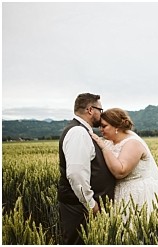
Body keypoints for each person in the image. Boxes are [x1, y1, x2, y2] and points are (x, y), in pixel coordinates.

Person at [57, 93, 117, 244]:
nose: (101, 114)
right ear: (90, 110)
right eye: (100, 110)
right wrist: (91, 204)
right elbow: (76, 174)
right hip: (79, 208)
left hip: (81, 206)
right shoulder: (78, 132)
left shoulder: (82, 131)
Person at [88, 108, 158, 213]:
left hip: (138, 196)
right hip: (120, 194)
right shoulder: (109, 142)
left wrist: (103, 147)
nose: (101, 130)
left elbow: (120, 171)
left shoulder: (133, 143)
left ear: (116, 126)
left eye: (104, 126)